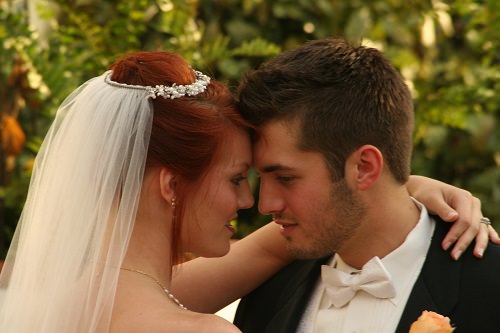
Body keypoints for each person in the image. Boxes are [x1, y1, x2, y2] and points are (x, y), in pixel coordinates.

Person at [0, 49, 492, 333]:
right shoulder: (226, 313)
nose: (256, 203)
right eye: (241, 178)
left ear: (365, 167)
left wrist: (400, 189)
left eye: (282, 177)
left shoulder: (59, 294)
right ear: (170, 185)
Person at [0, 50, 292, 333]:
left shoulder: (53, 307)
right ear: (171, 186)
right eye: (236, 178)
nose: (248, 200)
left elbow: (264, 251)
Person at [223, 38, 500, 333]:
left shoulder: (490, 290)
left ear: (365, 167)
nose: (265, 204)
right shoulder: (267, 294)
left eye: (285, 178)